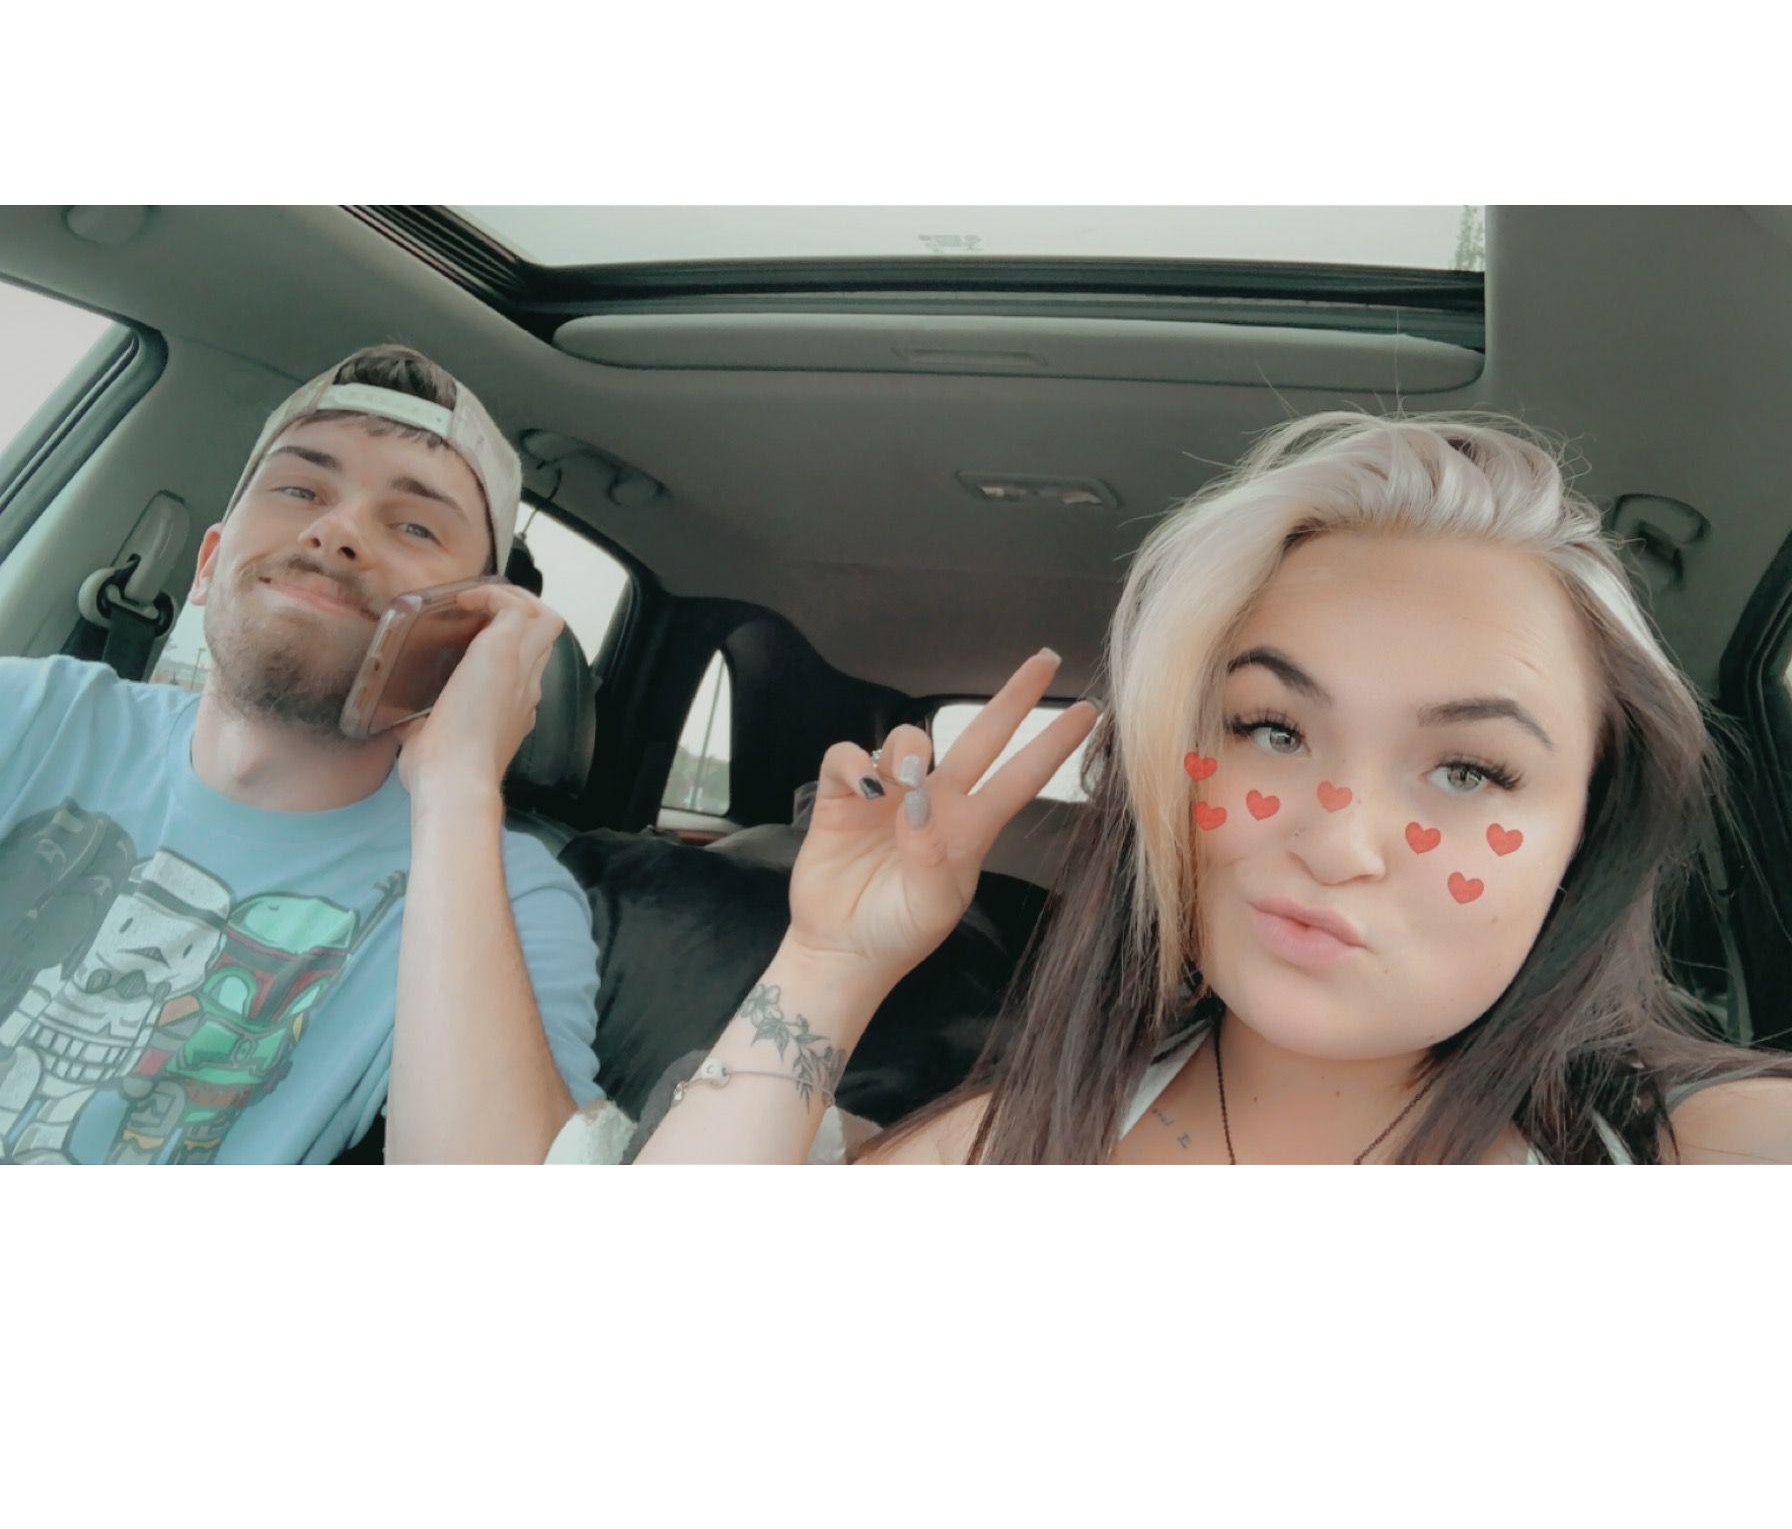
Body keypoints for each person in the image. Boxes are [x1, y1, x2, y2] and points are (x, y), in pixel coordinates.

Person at [623, 408, 1792, 1164]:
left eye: (1468, 769)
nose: (1336, 843)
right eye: (1272, 730)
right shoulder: (1012, 1142)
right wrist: (830, 961)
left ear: (1587, 831)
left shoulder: (1693, 1146)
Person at [0, 344, 602, 1163]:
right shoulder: (34, 713)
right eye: (299, 490)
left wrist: (460, 785)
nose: (337, 530)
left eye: (415, 525)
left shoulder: (509, 895)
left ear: (468, 638)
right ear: (209, 565)